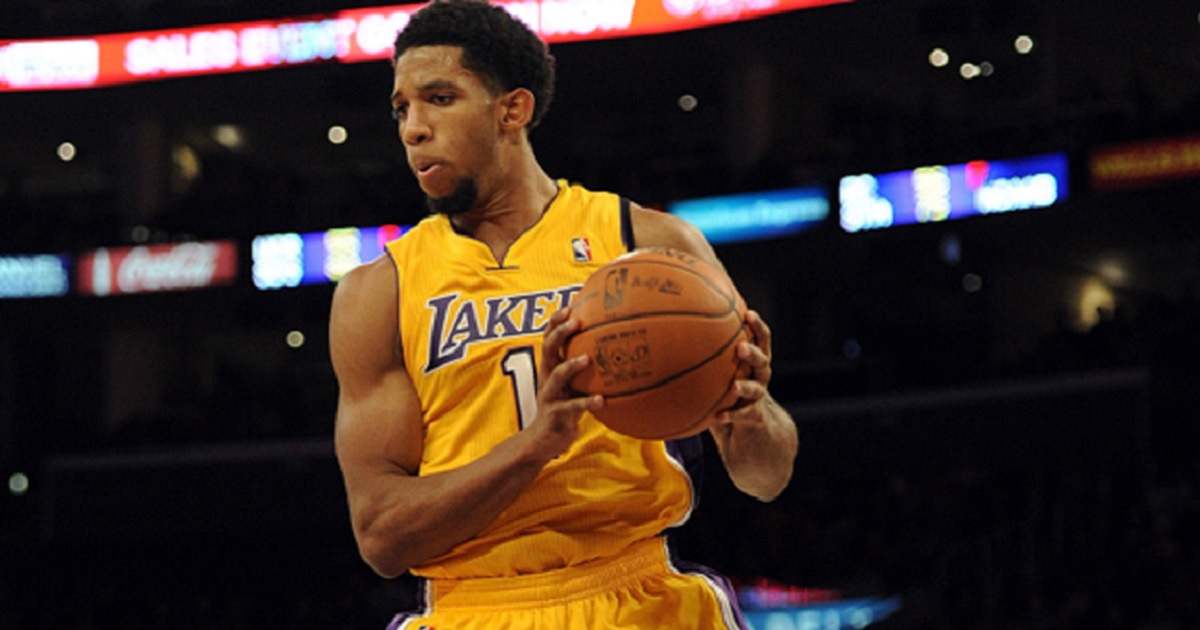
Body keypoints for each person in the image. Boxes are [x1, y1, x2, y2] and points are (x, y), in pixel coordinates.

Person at [329, 1, 799, 628]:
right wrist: (535, 446)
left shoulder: (650, 244)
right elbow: (382, 537)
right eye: (402, 108)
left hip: (641, 597)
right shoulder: (378, 292)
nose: (413, 128)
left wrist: (752, 411)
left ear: (512, 110)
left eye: (439, 99)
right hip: (476, 609)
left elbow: (764, 477)